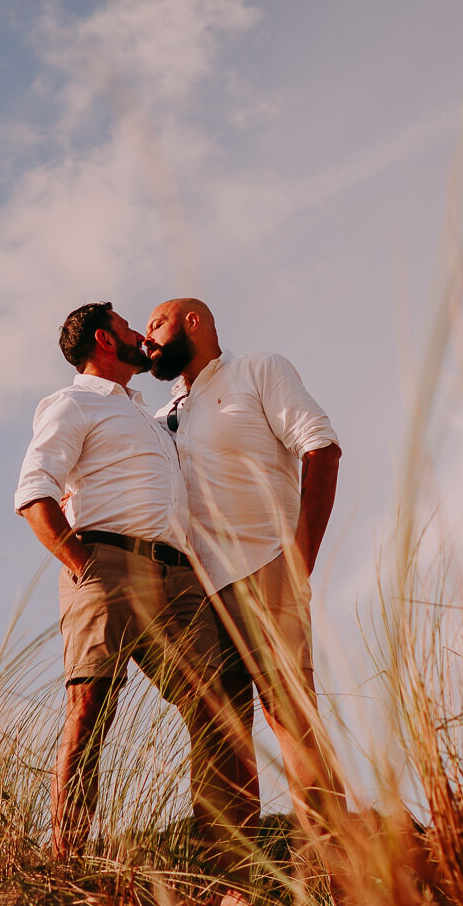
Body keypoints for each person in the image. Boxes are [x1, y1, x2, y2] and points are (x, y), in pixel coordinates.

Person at [15, 301, 255, 862]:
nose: (142, 340)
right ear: (105, 339)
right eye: (130, 329)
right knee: (90, 705)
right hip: (105, 564)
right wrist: (82, 564)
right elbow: (33, 492)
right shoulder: (71, 402)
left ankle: (227, 868)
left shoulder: (149, 417)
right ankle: (66, 857)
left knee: (217, 708)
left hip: (177, 577)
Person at [144, 298, 348, 845]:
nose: (148, 339)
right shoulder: (159, 417)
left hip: (264, 566)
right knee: (219, 732)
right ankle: (235, 881)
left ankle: (334, 865)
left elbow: (322, 448)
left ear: (194, 322)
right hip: (195, 591)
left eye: (156, 324)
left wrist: (300, 558)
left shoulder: (258, 370)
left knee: (288, 714)